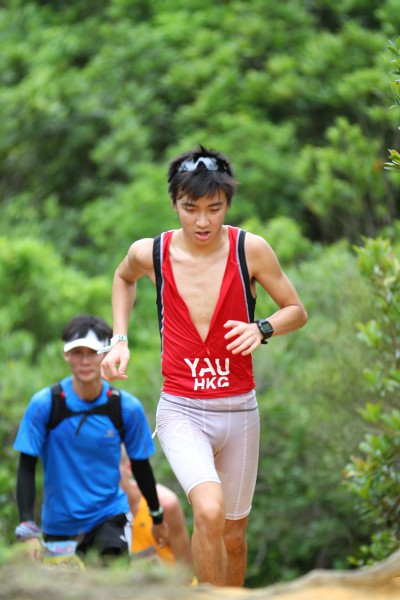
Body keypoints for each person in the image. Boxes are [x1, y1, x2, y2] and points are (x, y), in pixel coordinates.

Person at [99, 145, 308, 586]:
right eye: (190, 208)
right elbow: (122, 277)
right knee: (208, 512)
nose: (202, 221)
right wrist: (119, 339)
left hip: (239, 410)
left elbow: (296, 310)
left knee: (234, 534)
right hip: (182, 409)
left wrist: (262, 328)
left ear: (227, 205)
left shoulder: (250, 250)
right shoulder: (152, 253)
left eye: (214, 209)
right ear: (174, 203)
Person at [14, 314, 168, 564]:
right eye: (77, 352)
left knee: (111, 576)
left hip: (109, 516)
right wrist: (27, 528)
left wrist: (157, 517)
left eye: (93, 352)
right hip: (59, 525)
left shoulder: (125, 408)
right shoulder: (45, 404)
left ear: (106, 353)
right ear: (66, 354)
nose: (85, 361)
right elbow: (26, 466)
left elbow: (141, 466)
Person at [119, 446, 192, 568]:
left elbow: (186, 567)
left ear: (128, 467)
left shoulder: (164, 503)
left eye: (110, 469)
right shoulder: (93, 512)